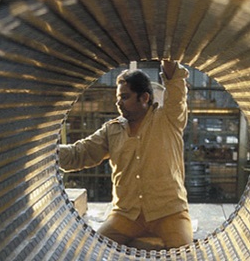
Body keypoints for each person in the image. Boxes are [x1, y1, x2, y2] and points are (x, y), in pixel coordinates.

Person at [59, 60, 193, 249]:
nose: (118, 103)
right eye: (118, 97)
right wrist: (45, 152)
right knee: (93, 253)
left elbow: (176, 86)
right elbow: (79, 154)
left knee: (185, 258)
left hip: (169, 213)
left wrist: (167, 54)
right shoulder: (112, 130)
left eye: (125, 97)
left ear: (144, 98)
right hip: (126, 215)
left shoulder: (168, 119)